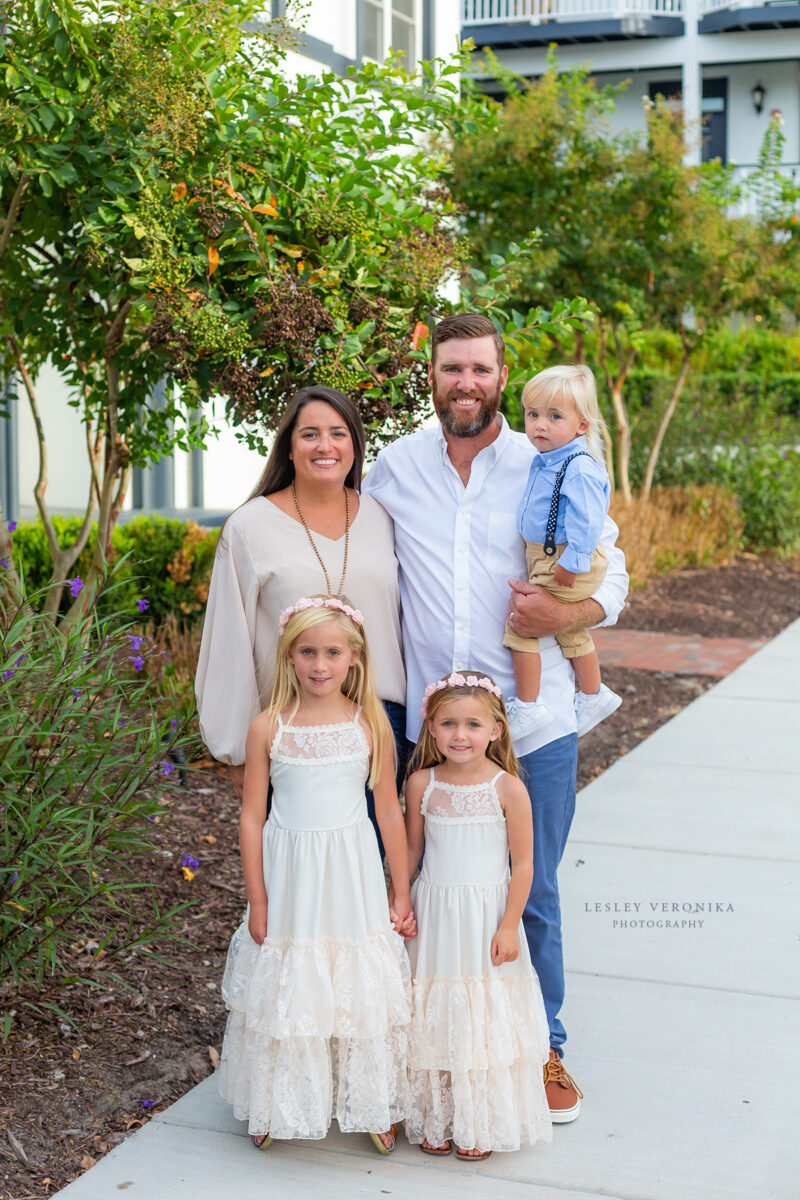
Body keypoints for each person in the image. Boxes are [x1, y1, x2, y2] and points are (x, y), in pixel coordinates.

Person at [363, 313, 629, 1123]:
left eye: (479, 368)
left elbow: (610, 571)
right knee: (420, 890)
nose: (465, 383)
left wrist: (571, 614)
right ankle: (426, 1053)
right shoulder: (395, 469)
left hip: (533, 719)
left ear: (501, 375)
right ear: (433, 376)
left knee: (533, 887)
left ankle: (545, 1050)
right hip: (428, 735)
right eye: (451, 369)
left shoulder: (545, 458)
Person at [217, 595, 414, 1153]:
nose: (320, 665)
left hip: (350, 875)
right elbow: (253, 816)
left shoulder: (369, 724)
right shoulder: (268, 728)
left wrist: (399, 890)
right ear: (289, 656)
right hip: (290, 877)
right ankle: (274, 1097)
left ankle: (371, 1098)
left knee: (357, 979)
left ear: (354, 656)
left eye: (332, 652)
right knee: (289, 977)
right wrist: (257, 898)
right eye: (308, 652)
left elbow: (388, 811)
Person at [195, 385, 407, 842]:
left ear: (355, 444)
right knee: (296, 877)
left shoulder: (384, 517)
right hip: (288, 730)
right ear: (289, 447)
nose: (325, 446)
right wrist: (238, 751)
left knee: (364, 877)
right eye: (310, 434)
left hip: (377, 724)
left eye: (338, 433)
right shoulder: (249, 527)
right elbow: (229, 640)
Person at [403, 673, 552, 1160]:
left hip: (486, 917)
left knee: (481, 1016)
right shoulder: (421, 783)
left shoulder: (506, 787)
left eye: (472, 724)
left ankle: (478, 1121)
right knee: (436, 1012)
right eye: (448, 723)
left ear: (496, 730)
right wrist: (399, 899)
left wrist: (510, 925)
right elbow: (411, 851)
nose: (459, 735)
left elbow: (525, 864)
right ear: (430, 728)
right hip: (436, 915)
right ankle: (438, 1115)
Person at [503, 364, 622, 741]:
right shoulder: (548, 458)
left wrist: (573, 564)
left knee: (521, 623)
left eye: (554, 416)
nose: (540, 424)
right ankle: (593, 694)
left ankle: (527, 706)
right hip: (550, 555)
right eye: (533, 414)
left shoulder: (579, 466)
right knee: (571, 631)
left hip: (566, 559)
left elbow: (588, 522)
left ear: (582, 425)